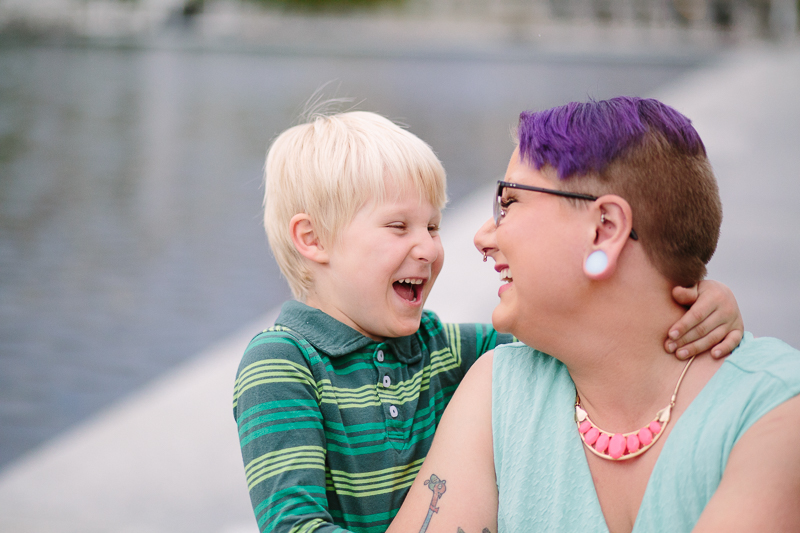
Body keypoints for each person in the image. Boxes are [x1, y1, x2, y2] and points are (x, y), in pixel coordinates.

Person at [232, 110, 744, 533]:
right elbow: (292, 524)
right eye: (398, 226)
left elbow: (571, 331)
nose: (429, 247)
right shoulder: (282, 362)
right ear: (312, 240)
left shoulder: (443, 348)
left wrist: (693, 297)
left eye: (433, 225)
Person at [386, 97, 800, 533]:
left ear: (605, 228)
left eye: (508, 204)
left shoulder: (772, 410)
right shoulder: (497, 392)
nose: (483, 236)